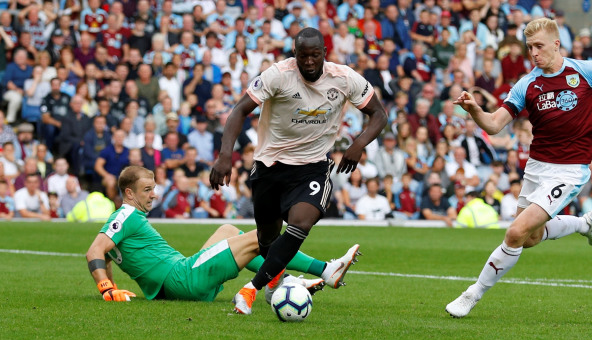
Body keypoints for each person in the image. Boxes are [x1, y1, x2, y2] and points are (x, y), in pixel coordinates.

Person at [445, 18, 592, 318]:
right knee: (531, 238)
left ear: (556, 44)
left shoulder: (586, 70)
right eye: (529, 48)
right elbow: (495, 125)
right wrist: (475, 111)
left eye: (539, 46)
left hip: (570, 169)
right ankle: (583, 224)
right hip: (537, 168)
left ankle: (472, 294)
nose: (534, 53)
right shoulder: (527, 84)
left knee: (515, 233)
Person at [209, 28, 387, 315]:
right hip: (269, 167)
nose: (308, 61)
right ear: (295, 53)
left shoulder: (344, 78)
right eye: (303, 55)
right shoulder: (277, 75)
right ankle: (286, 282)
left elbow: (379, 114)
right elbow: (239, 111)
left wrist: (358, 144)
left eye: (315, 55)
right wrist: (224, 156)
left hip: (312, 168)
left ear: (324, 54)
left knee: (300, 224)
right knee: (267, 238)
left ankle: (250, 290)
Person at [86, 165, 359, 303]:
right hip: (182, 278)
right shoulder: (125, 215)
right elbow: (95, 252)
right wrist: (107, 289)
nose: (154, 194)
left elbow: (107, 255)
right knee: (260, 235)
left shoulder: (125, 221)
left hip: (180, 277)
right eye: (147, 190)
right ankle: (323, 270)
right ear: (129, 193)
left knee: (227, 230)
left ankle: (282, 281)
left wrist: (111, 286)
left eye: (154, 188)